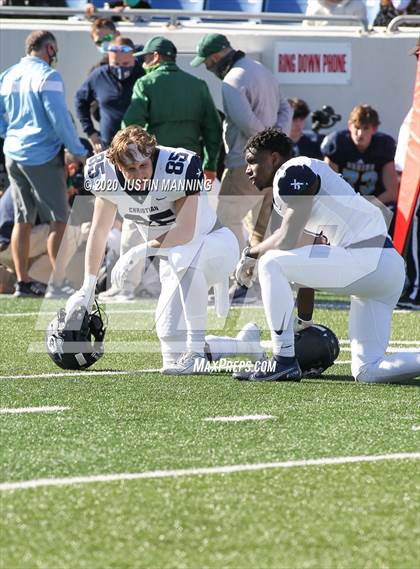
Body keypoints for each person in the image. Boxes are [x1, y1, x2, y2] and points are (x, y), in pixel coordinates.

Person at [234, 127, 420, 383]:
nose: (247, 170)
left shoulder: (293, 170)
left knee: (270, 263)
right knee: (369, 371)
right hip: (383, 268)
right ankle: (285, 359)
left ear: (274, 158)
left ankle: (282, 361)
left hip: (365, 258)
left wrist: (252, 252)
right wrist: (303, 320)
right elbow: (305, 255)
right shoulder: (294, 183)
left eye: (253, 161)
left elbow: (287, 240)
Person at [65, 126, 239, 374]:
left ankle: (198, 352)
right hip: (174, 258)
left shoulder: (177, 168)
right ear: (117, 166)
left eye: (143, 166)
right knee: (169, 335)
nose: (139, 174)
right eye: (130, 169)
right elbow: (99, 231)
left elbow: (186, 232)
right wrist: (88, 286)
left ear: (153, 157)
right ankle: (245, 344)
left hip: (215, 244)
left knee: (182, 254)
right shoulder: (105, 175)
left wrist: (138, 252)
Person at [191, 33, 292, 304]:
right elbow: (285, 108)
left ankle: (239, 283)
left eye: (207, 62)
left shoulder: (232, 81)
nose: (207, 67)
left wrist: (269, 143)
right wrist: (277, 147)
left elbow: (248, 125)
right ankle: (258, 283)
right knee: (261, 228)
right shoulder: (263, 72)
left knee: (225, 225)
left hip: (244, 163)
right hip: (273, 164)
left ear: (214, 57)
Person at [0, 30, 87, 298]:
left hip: (13, 152)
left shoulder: (7, 75)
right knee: (59, 221)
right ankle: (58, 283)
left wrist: (11, 136)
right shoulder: (48, 76)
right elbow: (59, 118)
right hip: (43, 155)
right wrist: (77, 150)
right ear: (49, 48)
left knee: (22, 220)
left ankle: (23, 282)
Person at [123, 36, 222, 181]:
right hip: (190, 163)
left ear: (156, 57)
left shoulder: (144, 83)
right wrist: (210, 165)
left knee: (158, 203)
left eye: (145, 58)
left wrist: (132, 162)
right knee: (189, 203)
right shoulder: (198, 85)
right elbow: (213, 128)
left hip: (157, 163)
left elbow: (130, 126)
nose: (144, 63)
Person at [75, 36, 145, 153]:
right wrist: (91, 133)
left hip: (140, 148)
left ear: (133, 57)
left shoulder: (143, 75)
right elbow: (80, 101)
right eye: (115, 63)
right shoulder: (99, 76)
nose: (120, 67)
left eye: (125, 63)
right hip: (109, 147)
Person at [321, 104, 399, 208]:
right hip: (342, 204)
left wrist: (368, 206)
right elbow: (328, 186)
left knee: (392, 209)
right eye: (357, 127)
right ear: (349, 126)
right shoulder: (337, 143)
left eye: (365, 128)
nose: (360, 133)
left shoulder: (384, 145)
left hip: (373, 206)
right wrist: (347, 206)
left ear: (374, 129)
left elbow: (392, 192)